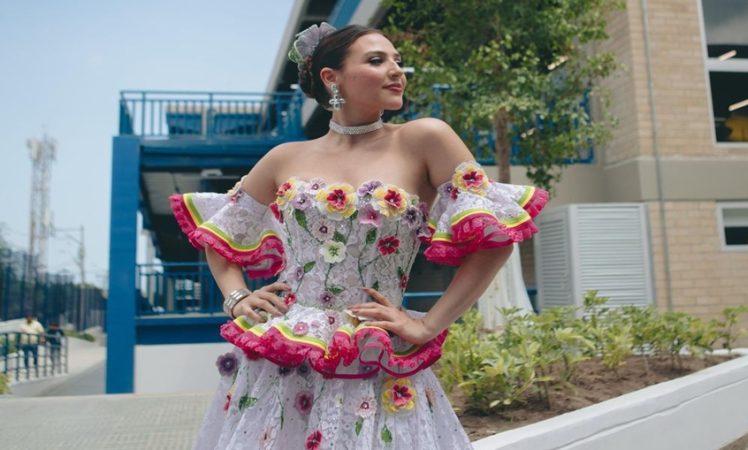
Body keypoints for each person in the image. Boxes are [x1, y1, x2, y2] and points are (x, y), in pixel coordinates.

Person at [171, 22, 548, 450]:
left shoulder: (425, 138)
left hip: (375, 357)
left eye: (398, 62)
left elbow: (494, 238)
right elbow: (221, 233)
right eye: (377, 60)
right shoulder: (283, 157)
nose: (397, 71)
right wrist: (238, 296)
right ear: (332, 78)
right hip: (282, 359)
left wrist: (428, 324)